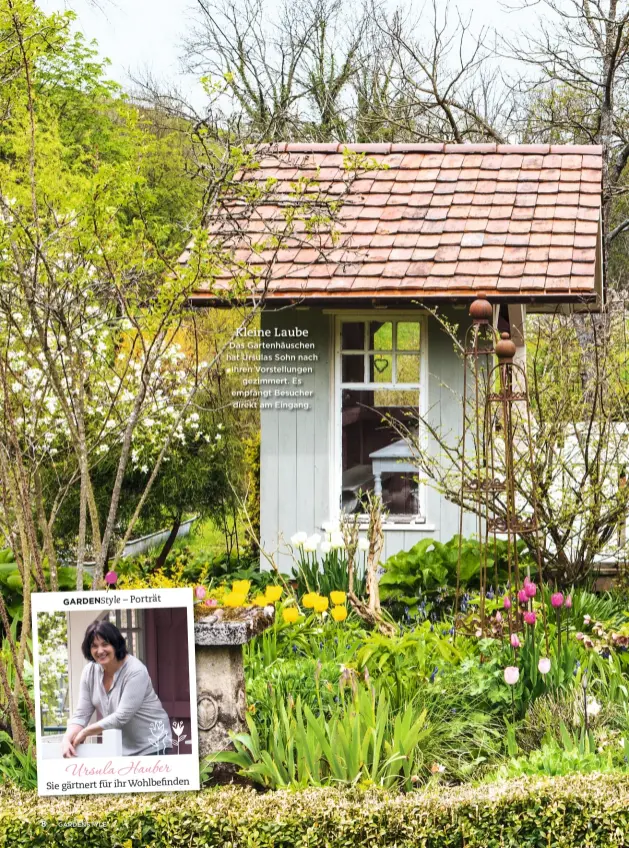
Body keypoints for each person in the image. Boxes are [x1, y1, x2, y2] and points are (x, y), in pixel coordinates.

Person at [62, 619, 172, 758]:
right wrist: (66, 738)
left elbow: (121, 717)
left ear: (116, 644)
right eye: (94, 646)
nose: (100, 650)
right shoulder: (89, 672)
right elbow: (81, 715)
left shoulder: (136, 671)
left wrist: (85, 732)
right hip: (122, 749)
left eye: (105, 644)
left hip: (153, 745)